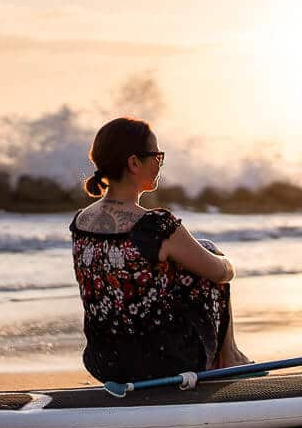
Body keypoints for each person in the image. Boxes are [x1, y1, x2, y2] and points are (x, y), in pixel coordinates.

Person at [69, 116, 252, 383]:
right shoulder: (156, 226)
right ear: (134, 163)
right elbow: (221, 274)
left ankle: (230, 356)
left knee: (164, 269)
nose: (159, 162)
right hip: (162, 362)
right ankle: (230, 356)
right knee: (208, 251)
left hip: (102, 362)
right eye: (156, 155)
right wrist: (226, 261)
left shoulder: (81, 221)